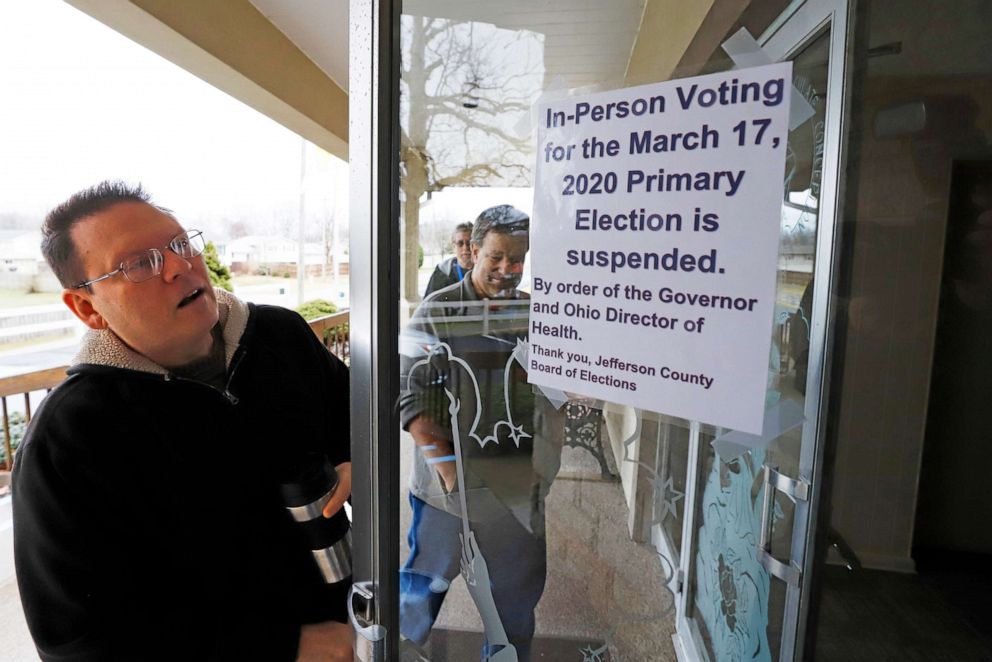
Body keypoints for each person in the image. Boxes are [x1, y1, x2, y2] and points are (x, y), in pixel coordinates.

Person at [12, 181, 354, 662]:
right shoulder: (70, 437)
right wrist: (285, 645)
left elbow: (354, 417)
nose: (179, 266)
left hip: (352, 617)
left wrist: (357, 457)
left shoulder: (280, 335)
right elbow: (79, 640)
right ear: (87, 307)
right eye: (139, 264)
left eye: (178, 245)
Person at [399, 205, 562, 661]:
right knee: (419, 594)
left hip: (516, 489)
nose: (507, 269)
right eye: (496, 257)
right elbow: (409, 396)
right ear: (473, 251)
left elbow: (555, 398)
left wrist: (542, 473)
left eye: (517, 259)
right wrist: (451, 475)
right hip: (446, 496)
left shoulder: (535, 312)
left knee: (513, 608)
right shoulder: (440, 310)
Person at [423, 222, 474, 298]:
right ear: (453, 247)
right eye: (460, 243)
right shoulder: (442, 272)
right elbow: (429, 304)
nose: (465, 248)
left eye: (469, 243)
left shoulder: (484, 271)